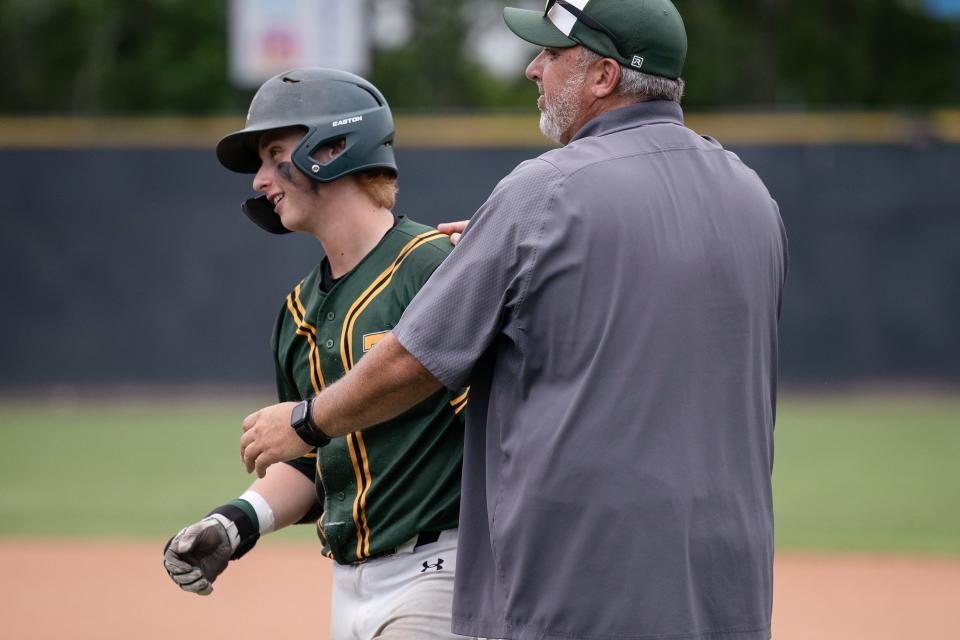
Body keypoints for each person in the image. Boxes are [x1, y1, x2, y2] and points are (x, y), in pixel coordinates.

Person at [239, 1, 788, 638]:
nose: (533, 69)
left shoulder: (545, 191)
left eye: (552, 54)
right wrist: (518, 256)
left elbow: (415, 359)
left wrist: (307, 420)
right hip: (728, 578)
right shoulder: (753, 196)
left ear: (605, 76)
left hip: (583, 578)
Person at [161, 68, 470, 640]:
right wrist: (236, 522)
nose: (258, 180)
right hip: (350, 584)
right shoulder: (299, 310)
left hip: (445, 571)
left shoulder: (436, 266)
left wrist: (304, 423)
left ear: (333, 147)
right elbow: (313, 457)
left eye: (274, 153)